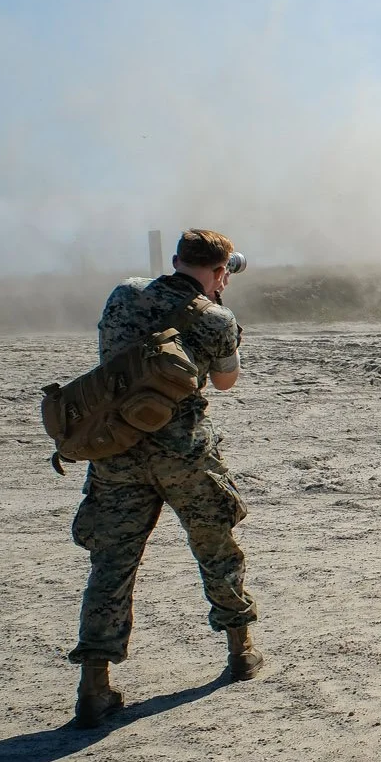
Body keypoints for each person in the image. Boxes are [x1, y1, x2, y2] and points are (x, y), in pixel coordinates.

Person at [68, 228, 258, 728]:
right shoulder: (217, 318)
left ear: (176, 260)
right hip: (185, 453)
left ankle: (94, 685)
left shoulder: (123, 294)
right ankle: (241, 651)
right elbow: (225, 380)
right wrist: (223, 322)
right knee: (216, 547)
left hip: (116, 452)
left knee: (111, 564)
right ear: (220, 273)